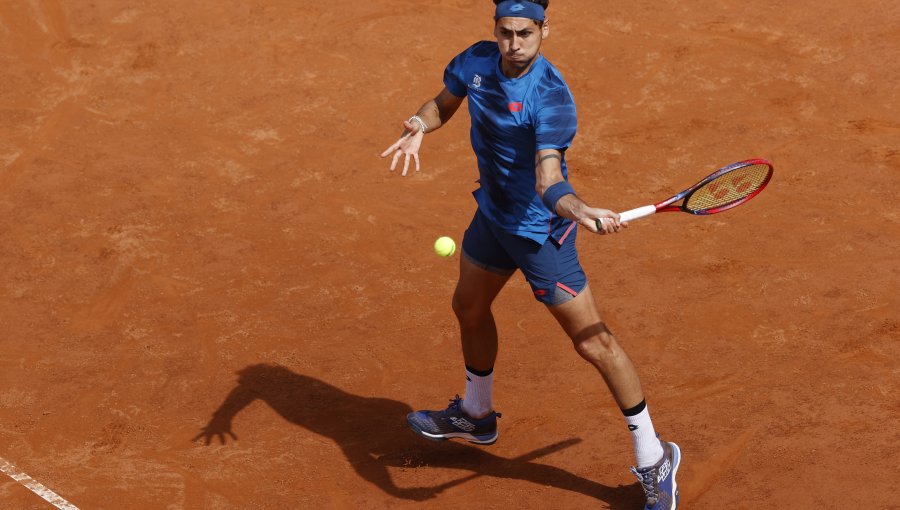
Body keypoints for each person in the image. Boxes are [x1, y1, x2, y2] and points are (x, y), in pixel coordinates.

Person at [380, 1, 680, 508]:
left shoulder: (551, 97)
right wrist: (418, 124)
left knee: (595, 344)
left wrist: (578, 208)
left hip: (540, 233)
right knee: (469, 307)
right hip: (492, 218)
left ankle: (655, 458)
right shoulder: (475, 62)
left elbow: (548, 178)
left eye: (525, 33)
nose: (514, 44)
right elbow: (442, 103)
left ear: (544, 30)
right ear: (494, 31)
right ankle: (476, 416)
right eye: (505, 33)